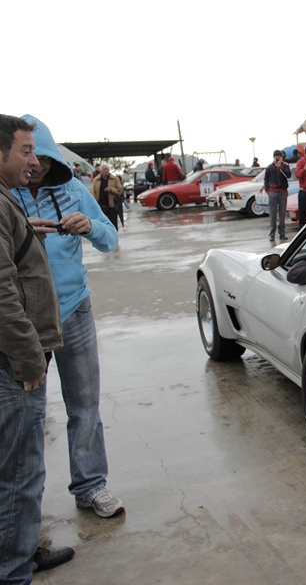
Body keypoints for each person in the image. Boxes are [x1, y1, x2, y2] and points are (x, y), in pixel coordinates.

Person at [14, 115, 124, 520]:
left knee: (84, 402)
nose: (36, 164)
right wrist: (20, 231)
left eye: (41, 155)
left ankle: (90, 485)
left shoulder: (74, 188)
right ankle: (24, 505)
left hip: (75, 309)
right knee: (26, 412)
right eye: (27, 154)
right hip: (26, 321)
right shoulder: (7, 195)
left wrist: (89, 225)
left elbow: (110, 239)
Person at [0, 114, 72, 584]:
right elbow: (2, 291)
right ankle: (14, 570)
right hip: (14, 363)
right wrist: (29, 357)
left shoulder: (7, 203)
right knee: (20, 473)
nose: (34, 161)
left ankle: (21, 550)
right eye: (25, 151)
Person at [265, 150, 291, 241]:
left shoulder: (285, 166)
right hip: (273, 191)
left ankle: (282, 233)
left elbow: (288, 175)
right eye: (276, 157)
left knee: (282, 213)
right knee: (273, 214)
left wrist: (281, 167)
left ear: (282, 157)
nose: (278, 158)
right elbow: (266, 179)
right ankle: (272, 234)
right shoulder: (270, 167)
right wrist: (268, 191)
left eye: (279, 157)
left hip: (283, 192)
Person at [91, 164, 123, 232]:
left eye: (107, 169)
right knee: (102, 223)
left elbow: (120, 190)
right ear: (101, 171)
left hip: (112, 205)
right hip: (101, 205)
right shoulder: (96, 179)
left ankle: (114, 236)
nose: (106, 171)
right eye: (104, 169)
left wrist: (111, 189)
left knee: (113, 223)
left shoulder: (115, 179)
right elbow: (93, 192)